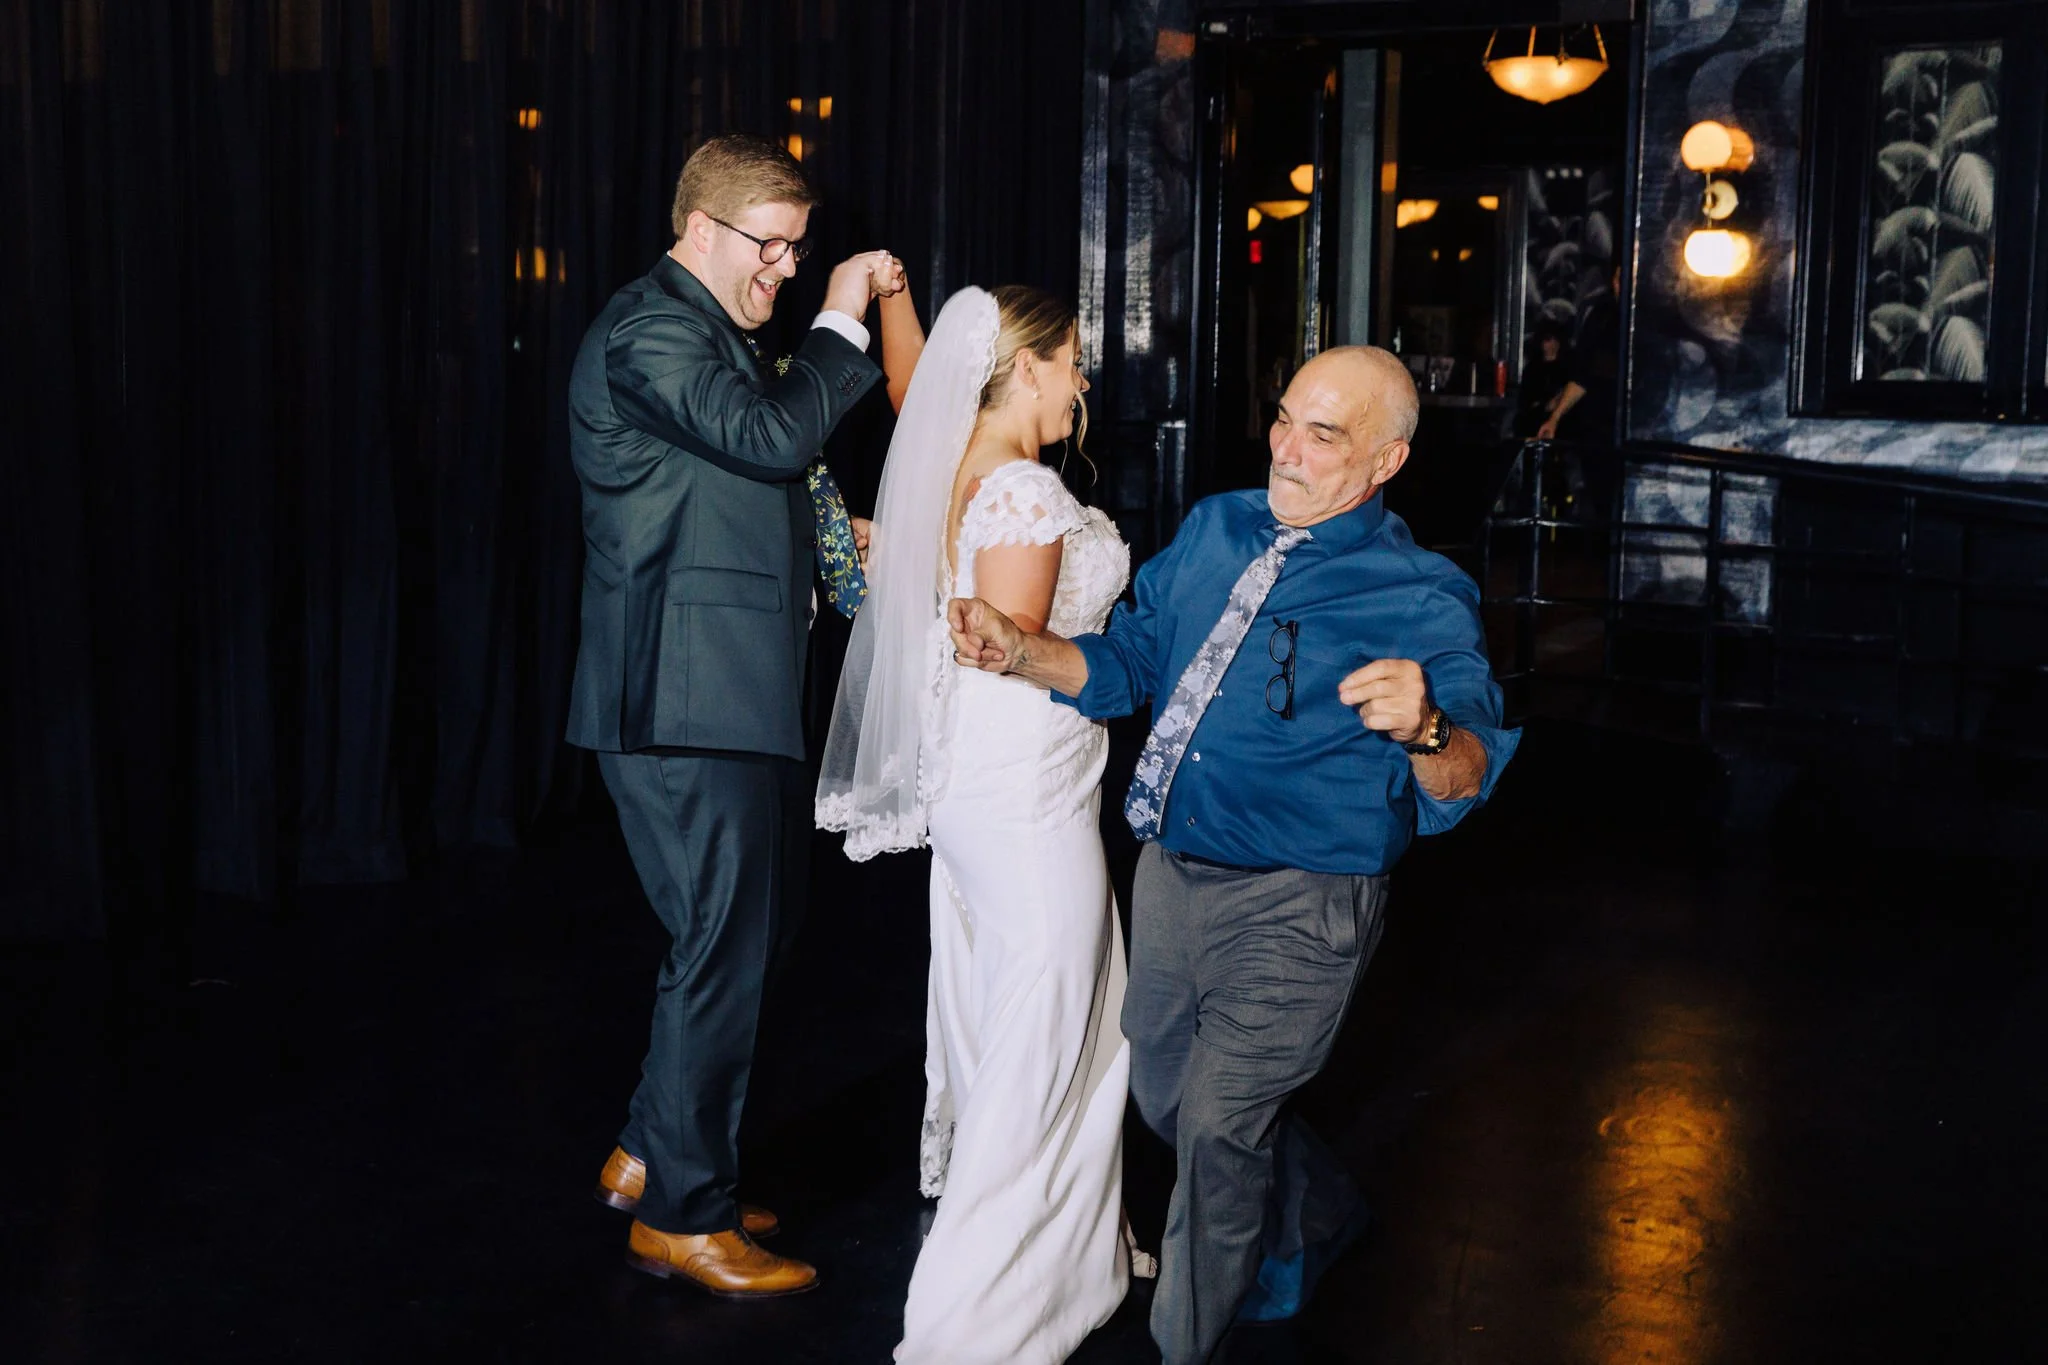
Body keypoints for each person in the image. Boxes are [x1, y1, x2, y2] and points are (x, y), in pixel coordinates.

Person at [948, 346, 1520, 1365]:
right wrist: (1021, 649)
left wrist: (1427, 728)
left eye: (1322, 435)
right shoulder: (1216, 526)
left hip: (1307, 899)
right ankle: (1314, 1212)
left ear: (1385, 461)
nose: (1285, 449)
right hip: (1173, 873)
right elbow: (1132, 659)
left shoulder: (1420, 593)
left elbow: (1469, 773)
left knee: (1218, 1129)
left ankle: (1184, 1345)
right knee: (1166, 1097)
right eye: (1283, 417)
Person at [564, 133, 898, 1297]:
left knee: (748, 935)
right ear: (700, 230)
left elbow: (729, 482)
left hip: (729, 689)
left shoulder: (710, 335)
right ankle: (682, 1217)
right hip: (682, 694)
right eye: (772, 246)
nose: (786, 270)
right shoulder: (651, 330)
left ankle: (651, 1155)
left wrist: (830, 538)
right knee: (723, 944)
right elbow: (771, 438)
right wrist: (842, 316)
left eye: (800, 253)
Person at [816, 285, 1137, 1363]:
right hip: (1023, 785)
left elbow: (920, 384)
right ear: (1026, 366)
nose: (1082, 380)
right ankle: (971, 1313)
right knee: (1047, 1018)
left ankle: (1072, 1252)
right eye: (1072, 359)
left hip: (983, 780)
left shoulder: (952, 454)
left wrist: (895, 299)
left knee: (1023, 998)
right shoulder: (1022, 492)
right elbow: (1016, 643)